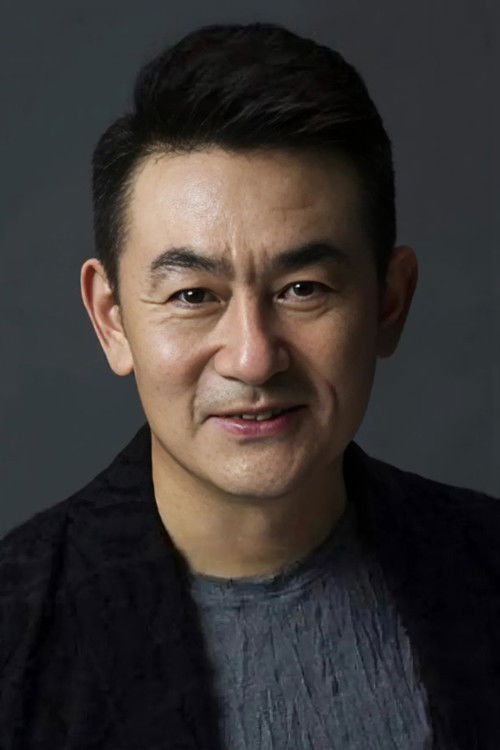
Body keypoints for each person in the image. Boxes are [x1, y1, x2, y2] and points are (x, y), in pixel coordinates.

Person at [0, 21, 497, 750]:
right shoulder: (16, 637)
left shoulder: (486, 567)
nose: (254, 359)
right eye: (193, 296)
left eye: (303, 288)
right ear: (112, 319)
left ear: (389, 303)